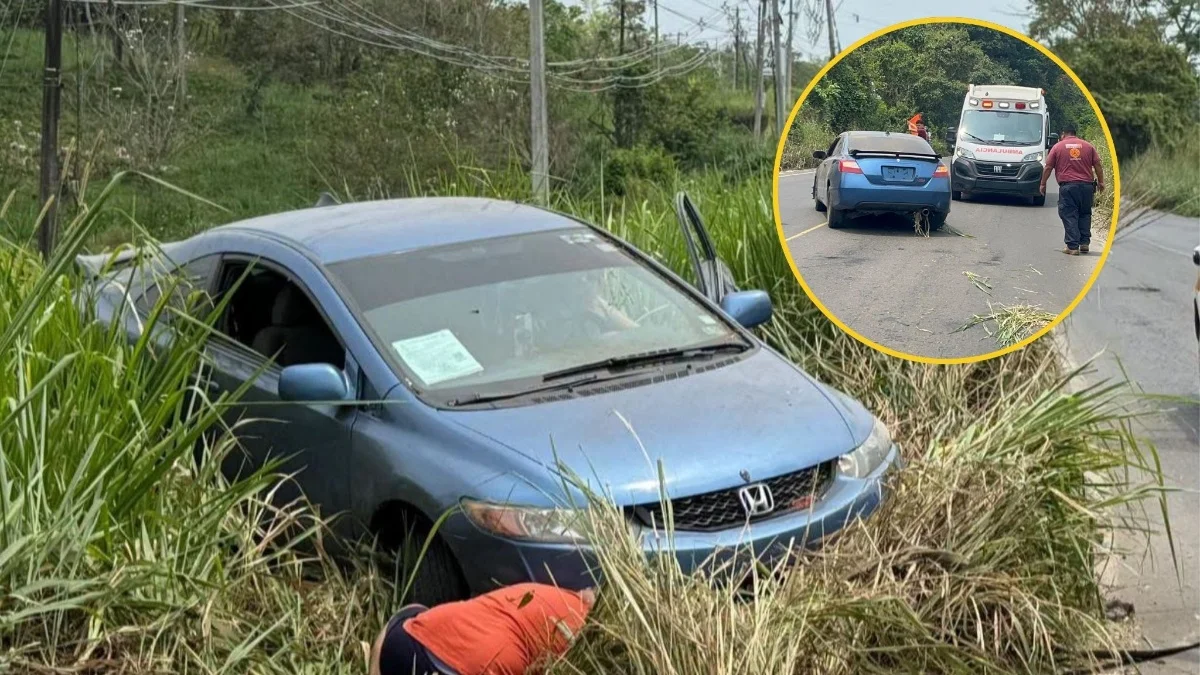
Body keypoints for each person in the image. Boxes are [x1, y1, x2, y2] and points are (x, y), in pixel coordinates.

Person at [368, 583, 596, 675]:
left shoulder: (550, 593)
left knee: (413, 610)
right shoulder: (588, 645)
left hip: (404, 647)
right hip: (465, 669)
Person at [1039, 124, 1105, 255]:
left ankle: (1072, 246)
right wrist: (1101, 182)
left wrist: (1043, 183)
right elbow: (1097, 164)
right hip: (1087, 186)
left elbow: (1048, 167)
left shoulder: (1058, 147)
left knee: (1069, 214)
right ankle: (1084, 243)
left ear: (1063, 134)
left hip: (1069, 186)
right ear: (1075, 133)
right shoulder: (1088, 146)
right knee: (1085, 213)